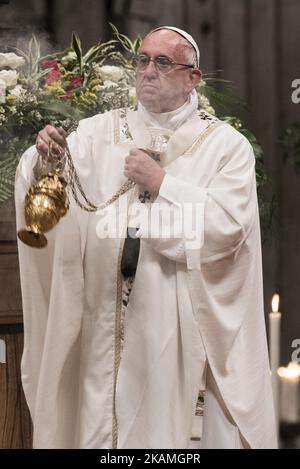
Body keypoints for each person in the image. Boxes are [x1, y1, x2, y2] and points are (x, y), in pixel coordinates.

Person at [15, 26, 277, 449]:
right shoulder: (100, 132)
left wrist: (162, 182)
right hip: (101, 313)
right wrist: (46, 159)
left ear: (193, 77)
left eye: (163, 62)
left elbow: (228, 227)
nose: (148, 71)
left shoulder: (225, 147)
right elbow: (52, 194)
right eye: (143, 60)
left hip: (173, 320)